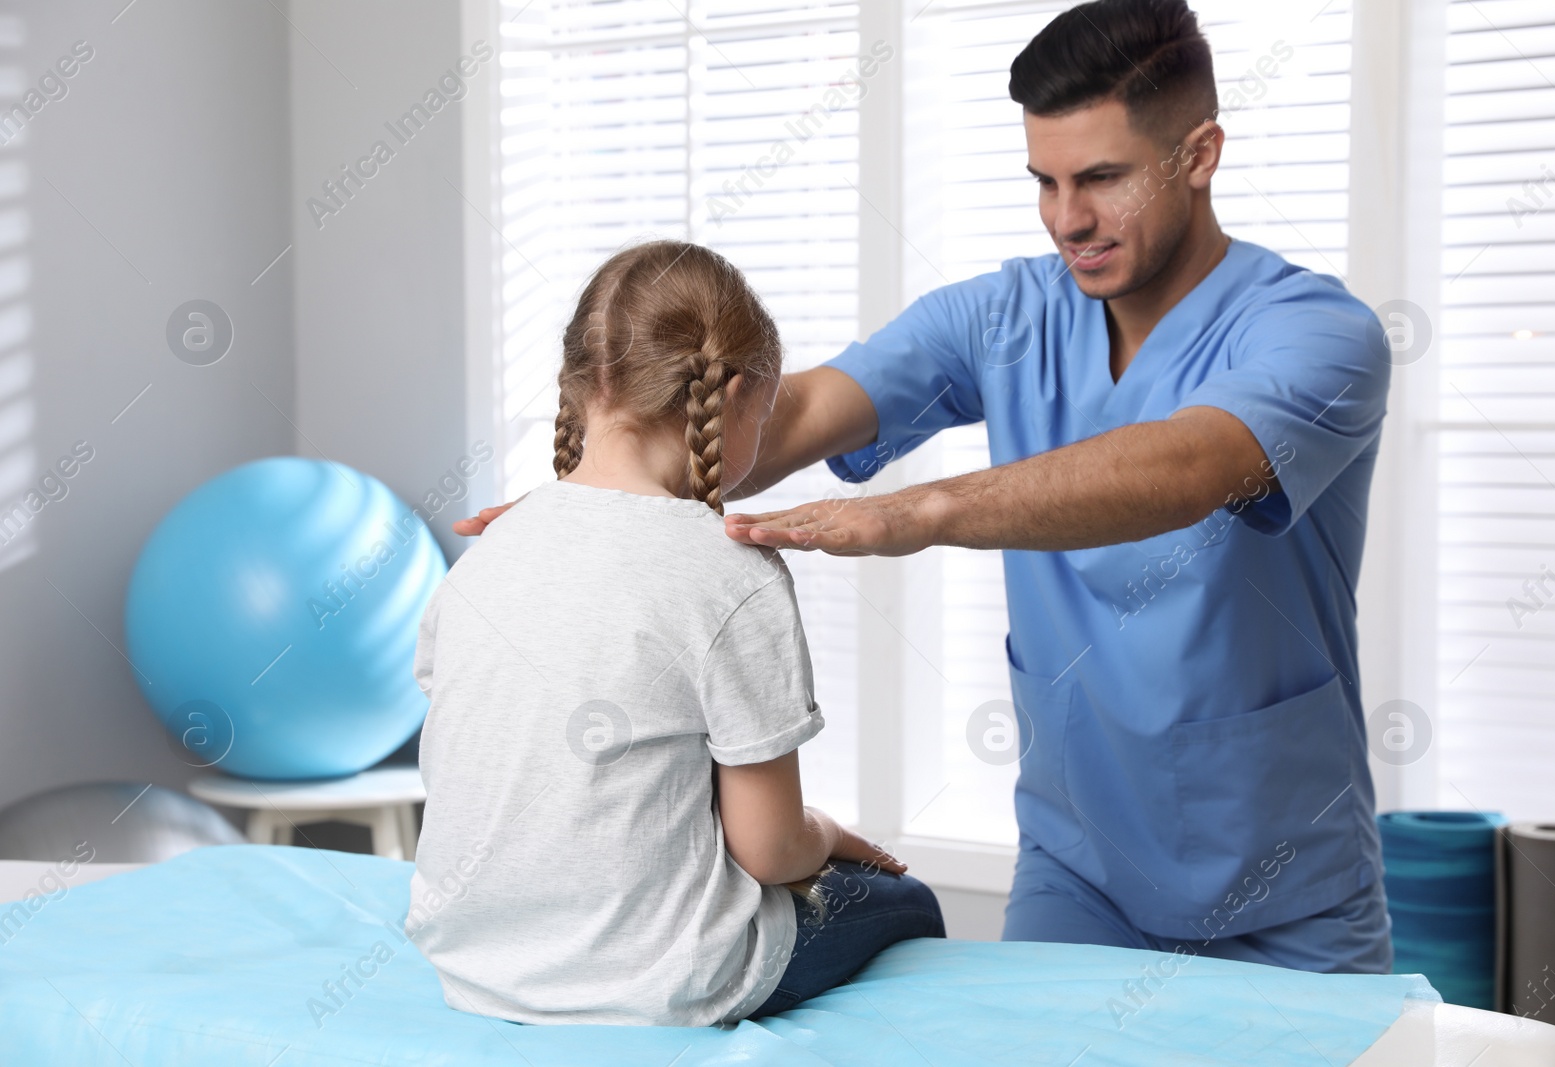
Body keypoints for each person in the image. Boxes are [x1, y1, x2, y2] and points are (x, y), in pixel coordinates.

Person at [460, 0, 1393, 974]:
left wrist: (923, 511)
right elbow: (796, 409)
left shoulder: (1318, 332)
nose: (1067, 218)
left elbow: (1189, 465)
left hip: (1289, 893)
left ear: (1198, 153)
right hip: (1082, 876)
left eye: (1101, 179)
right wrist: (609, 500)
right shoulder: (1005, 314)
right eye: (1044, 180)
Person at [408, 240, 944, 1028]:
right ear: (732, 394)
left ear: (581, 388)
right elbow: (769, 851)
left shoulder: (483, 559)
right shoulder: (731, 569)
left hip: (472, 967)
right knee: (906, 902)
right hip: (658, 979)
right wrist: (830, 833)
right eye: (771, 406)